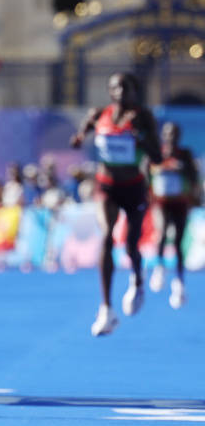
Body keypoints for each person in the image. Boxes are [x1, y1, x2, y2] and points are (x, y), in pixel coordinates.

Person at [70, 72, 162, 337]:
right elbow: (83, 131)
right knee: (108, 237)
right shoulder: (100, 114)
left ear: (134, 90)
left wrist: (141, 139)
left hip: (134, 188)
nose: (120, 91)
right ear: (109, 91)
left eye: (125, 87)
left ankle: (137, 279)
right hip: (107, 186)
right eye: (114, 87)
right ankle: (107, 309)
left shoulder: (143, 117)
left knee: (132, 245)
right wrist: (78, 139)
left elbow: (156, 158)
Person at [147, 122, 200, 309]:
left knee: (178, 241)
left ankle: (179, 282)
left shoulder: (185, 154)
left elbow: (194, 177)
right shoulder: (156, 153)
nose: (171, 137)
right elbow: (146, 173)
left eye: (175, 134)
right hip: (161, 202)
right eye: (168, 133)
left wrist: (181, 168)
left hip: (180, 202)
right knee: (161, 234)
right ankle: (159, 268)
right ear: (163, 135)